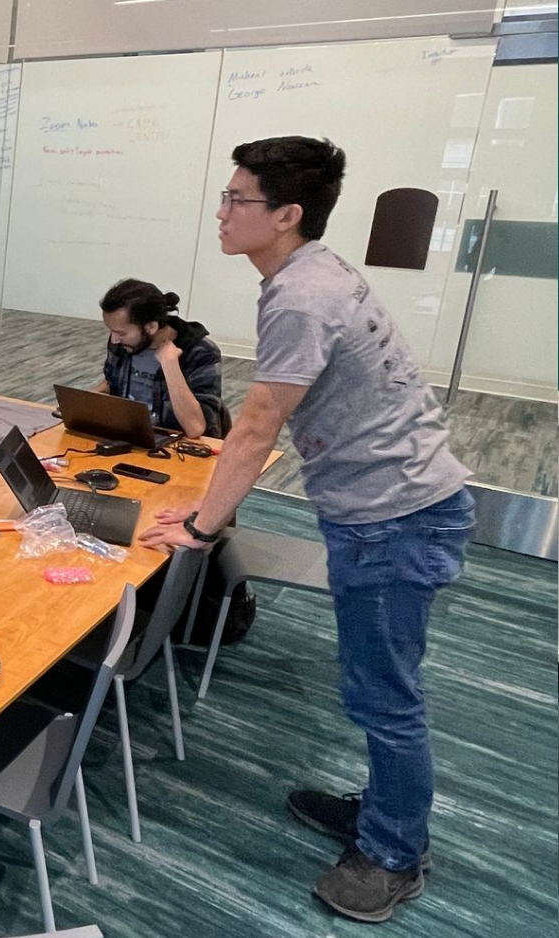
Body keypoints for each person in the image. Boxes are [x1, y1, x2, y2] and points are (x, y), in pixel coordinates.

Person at [138, 137, 473, 924]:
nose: (221, 213)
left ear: (287, 215)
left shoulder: (299, 294)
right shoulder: (310, 273)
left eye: (236, 200)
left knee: (386, 698)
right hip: (395, 508)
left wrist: (198, 524)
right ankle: (383, 811)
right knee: (377, 689)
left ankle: (394, 853)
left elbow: (256, 429)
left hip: (396, 517)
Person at [92, 278, 225, 439]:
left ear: (151, 327)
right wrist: (84, 402)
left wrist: (170, 365)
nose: (114, 340)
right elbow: (112, 384)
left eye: (121, 333)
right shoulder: (123, 344)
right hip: (131, 437)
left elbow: (195, 428)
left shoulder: (202, 352)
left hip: (180, 447)